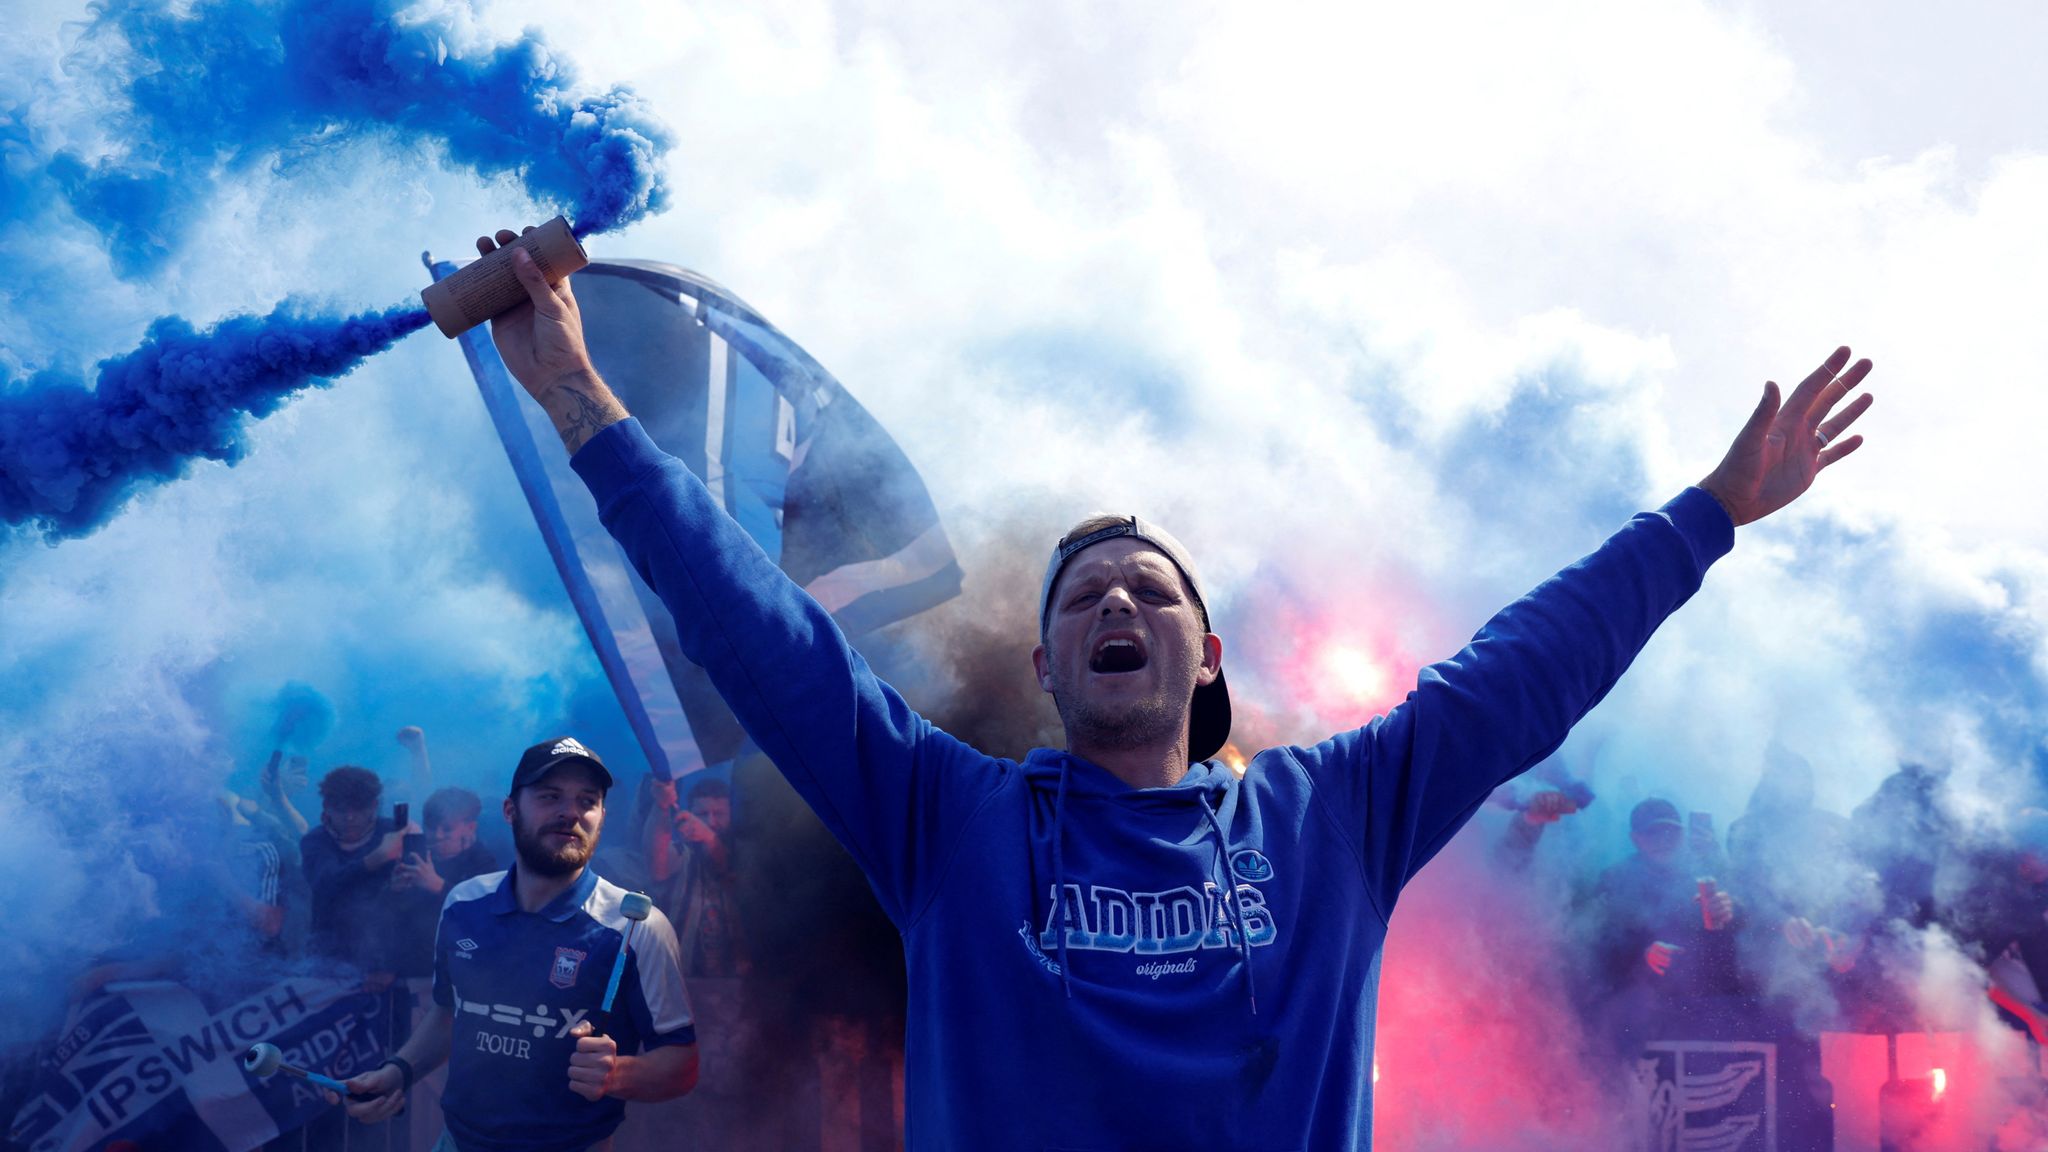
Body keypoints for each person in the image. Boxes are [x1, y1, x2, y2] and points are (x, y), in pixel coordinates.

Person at [472, 227, 1874, 1148]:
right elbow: (759, 631)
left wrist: (1708, 515)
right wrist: (585, 405)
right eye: (1084, 598)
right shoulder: (945, 818)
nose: (1120, 603)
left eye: (1153, 591)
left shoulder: (1334, 815)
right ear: (1048, 666)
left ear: (1207, 658)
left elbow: (1525, 672)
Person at [340, 737, 698, 1152]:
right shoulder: (463, 904)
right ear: (511, 810)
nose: (570, 812)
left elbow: (683, 1065)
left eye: (588, 800)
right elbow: (448, 1011)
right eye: (550, 796)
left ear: (601, 816)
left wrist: (618, 1073)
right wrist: (400, 1070)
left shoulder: (637, 927)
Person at [301, 765, 411, 987]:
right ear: (326, 807)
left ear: (374, 806)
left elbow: (412, 907)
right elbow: (326, 883)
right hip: (329, 959)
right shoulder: (316, 841)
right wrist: (377, 857)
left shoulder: (394, 832)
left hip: (388, 958)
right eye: (341, 809)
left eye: (358, 809)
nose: (350, 817)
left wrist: (390, 963)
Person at [391, 787, 499, 978]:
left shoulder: (485, 863)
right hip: (413, 969)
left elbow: (489, 921)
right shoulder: (417, 856)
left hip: (461, 971)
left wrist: (439, 886)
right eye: (432, 827)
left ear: (471, 827)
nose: (437, 835)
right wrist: (394, 891)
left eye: (447, 828)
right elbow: (387, 917)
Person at [643, 774, 745, 977]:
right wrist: (662, 807)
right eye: (703, 813)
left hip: (735, 980)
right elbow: (657, 862)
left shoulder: (745, 854)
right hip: (679, 978)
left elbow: (731, 871)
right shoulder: (682, 853)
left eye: (719, 813)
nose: (711, 821)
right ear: (690, 814)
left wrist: (709, 837)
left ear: (732, 815)